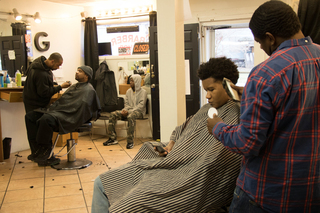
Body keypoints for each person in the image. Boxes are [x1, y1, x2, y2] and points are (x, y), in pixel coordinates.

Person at [207, 2, 320, 213]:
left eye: (259, 42)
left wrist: (217, 127)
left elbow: (247, 143)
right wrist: (249, 94)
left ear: (270, 37)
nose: (260, 47)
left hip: (268, 193)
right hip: (312, 191)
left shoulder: (265, 73)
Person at [91, 57, 242, 213]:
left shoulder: (238, 114)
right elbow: (183, 128)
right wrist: (171, 144)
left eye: (211, 89)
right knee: (101, 182)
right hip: (172, 164)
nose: (207, 96)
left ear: (228, 85)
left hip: (190, 177)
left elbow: (219, 161)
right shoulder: (205, 109)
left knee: (129, 204)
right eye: (206, 91)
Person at [25, 66, 101, 166]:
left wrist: (62, 111)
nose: (76, 72)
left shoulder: (89, 90)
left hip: (72, 116)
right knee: (30, 116)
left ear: (86, 75)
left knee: (46, 119)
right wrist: (54, 109)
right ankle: (37, 151)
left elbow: (81, 109)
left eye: (80, 71)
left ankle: (46, 152)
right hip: (61, 112)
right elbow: (64, 101)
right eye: (77, 70)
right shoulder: (74, 87)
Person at [103, 74, 147, 149]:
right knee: (113, 114)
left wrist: (129, 112)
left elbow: (141, 106)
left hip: (139, 112)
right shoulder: (128, 91)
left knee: (131, 116)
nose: (130, 82)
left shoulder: (143, 92)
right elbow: (126, 104)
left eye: (132, 81)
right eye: (130, 80)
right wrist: (125, 110)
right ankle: (112, 138)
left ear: (137, 81)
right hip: (129, 111)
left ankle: (130, 141)